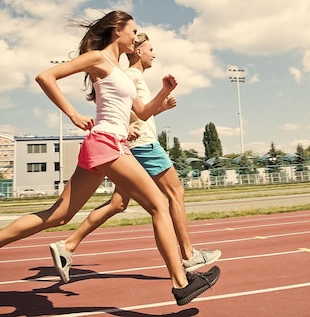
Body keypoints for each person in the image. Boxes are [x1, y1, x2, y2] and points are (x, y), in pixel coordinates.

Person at [0, 11, 220, 306]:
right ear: (118, 30)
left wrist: (164, 92)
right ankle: (181, 283)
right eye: (133, 31)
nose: (136, 37)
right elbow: (46, 76)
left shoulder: (119, 71)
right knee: (160, 204)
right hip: (105, 143)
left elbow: (142, 113)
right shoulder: (98, 59)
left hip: (110, 143)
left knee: (59, 215)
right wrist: (73, 114)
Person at [49, 33, 221, 284]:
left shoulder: (135, 77)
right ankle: (188, 254)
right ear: (138, 51)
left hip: (132, 146)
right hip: (143, 146)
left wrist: (160, 106)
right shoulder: (129, 75)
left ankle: (68, 245)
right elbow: (116, 108)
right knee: (175, 194)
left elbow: (139, 113)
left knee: (117, 204)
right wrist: (130, 125)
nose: (154, 54)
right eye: (151, 49)